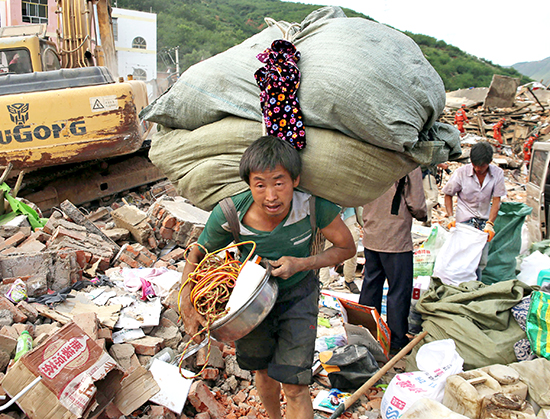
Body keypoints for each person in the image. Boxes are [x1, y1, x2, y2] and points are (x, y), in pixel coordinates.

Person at [180, 135, 356, 419]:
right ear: (249, 184)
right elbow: (197, 252)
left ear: (295, 180)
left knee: (295, 385)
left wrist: (300, 263)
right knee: (262, 370)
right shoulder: (230, 213)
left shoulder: (313, 207)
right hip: (247, 303)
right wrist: (186, 302)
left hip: (298, 295)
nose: (271, 196)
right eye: (260, 185)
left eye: (279, 182)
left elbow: (347, 247)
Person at [359, 167, 427, 354]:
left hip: (371, 233)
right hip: (396, 238)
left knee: (371, 284)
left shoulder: (374, 158)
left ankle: (365, 335)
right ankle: (396, 341)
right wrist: (423, 216)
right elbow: (417, 204)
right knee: (398, 290)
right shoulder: (408, 164)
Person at [442, 141, 507, 280]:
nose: (478, 168)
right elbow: (448, 194)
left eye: (482, 166)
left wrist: (490, 223)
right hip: (463, 223)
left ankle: (475, 287)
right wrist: (450, 217)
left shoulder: (497, 174)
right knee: (461, 259)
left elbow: (496, 200)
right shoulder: (461, 173)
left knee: (480, 262)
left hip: (483, 223)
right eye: (475, 165)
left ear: (489, 162)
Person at [319, 207, 362, 293]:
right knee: (325, 249)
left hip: (348, 214)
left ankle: (349, 280)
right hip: (329, 214)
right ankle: (323, 283)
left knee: (353, 246)